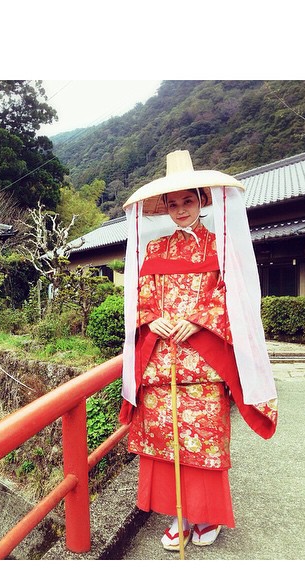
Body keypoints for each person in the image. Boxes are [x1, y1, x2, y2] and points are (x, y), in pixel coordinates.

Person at [119, 150, 278, 551]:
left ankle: (205, 516)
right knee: (165, 441)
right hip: (161, 363)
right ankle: (180, 516)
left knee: (203, 440)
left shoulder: (221, 246)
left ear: (203, 200)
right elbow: (140, 296)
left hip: (204, 363)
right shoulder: (154, 250)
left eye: (188, 201)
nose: (180, 210)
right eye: (173, 204)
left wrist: (200, 319)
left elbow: (233, 297)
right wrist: (151, 318)